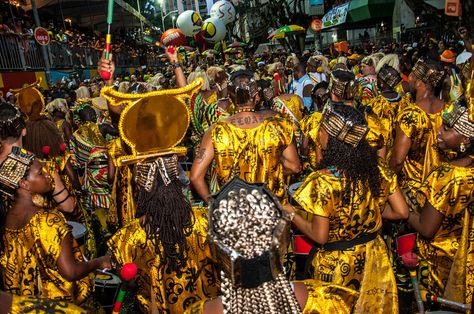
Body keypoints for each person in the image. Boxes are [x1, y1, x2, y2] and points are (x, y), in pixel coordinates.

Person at [283, 103, 408, 313]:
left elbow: (320, 236)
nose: (318, 132)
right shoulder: (377, 171)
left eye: (322, 128)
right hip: (374, 258)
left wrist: (290, 211)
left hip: (336, 266)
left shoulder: (323, 181)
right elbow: (401, 211)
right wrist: (367, 210)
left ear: (331, 138)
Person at [106, 83, 220, 313]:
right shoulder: (205, 222)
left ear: (142, 191)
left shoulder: (129, 238)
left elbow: (128, 281)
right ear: (178, 183)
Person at [0, 147, 110, 308]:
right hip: (56, 306)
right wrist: (99, 262)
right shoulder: (49, 219)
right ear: (24, 184)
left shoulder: (8, 218)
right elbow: (70, 271)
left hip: (27, 306)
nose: (47, 175)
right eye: (40, 173)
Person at [190, 69, 301, 203]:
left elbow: (195, 177)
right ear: (257, 97)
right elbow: (294, 166)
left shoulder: (216, 130)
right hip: (270, 208)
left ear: (230, 99)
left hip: (233, 212)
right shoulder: (278, 126)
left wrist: (214, 205)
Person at [408, 103, 474, 306]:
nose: (438, 131)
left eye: (446, 128)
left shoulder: (449, 175)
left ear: (465, 139)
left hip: (443, 267)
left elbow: (427, 228)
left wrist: (405, 211)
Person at [390, 58, 448, 211]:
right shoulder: (447, 109)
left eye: (412, 75)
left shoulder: (410, 115)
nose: (408, 78)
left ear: (418, 82)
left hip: (415, 193)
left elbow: (397, 160)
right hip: (443, 188)